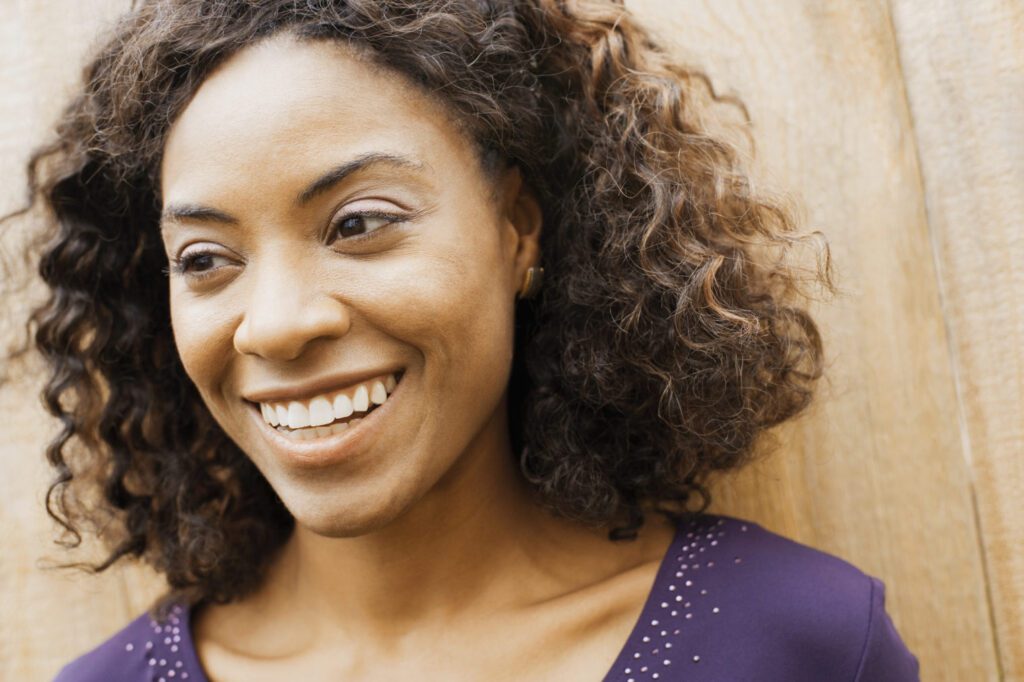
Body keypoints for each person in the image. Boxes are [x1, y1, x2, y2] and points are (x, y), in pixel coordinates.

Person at [20, 1, 918, 680]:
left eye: (360, 222)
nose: (280, 323)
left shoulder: (797, 638)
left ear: (516, 229)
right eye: (208, 258)